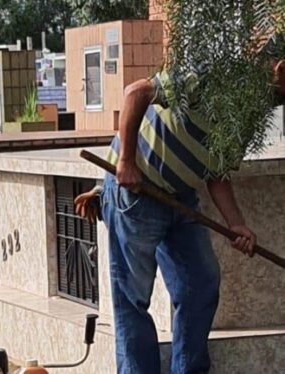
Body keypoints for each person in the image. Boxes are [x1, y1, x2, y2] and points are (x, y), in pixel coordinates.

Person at [71, 58, 285, 374]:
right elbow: (135, 93)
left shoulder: (248, 115)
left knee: (200, 284)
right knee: (132, 298)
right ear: (280, 69)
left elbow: (217, 172)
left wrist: (236, 224)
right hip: (136, 194)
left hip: (181, 198)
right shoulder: (211, 72)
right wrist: (126, 162)